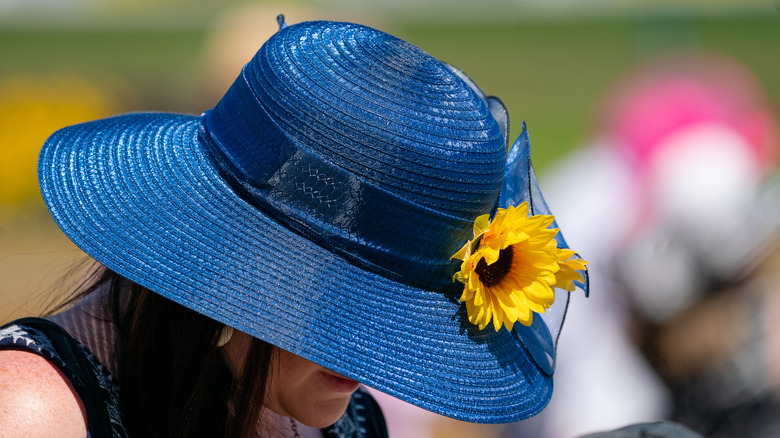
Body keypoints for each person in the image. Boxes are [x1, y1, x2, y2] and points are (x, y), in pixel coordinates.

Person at [0, 16, 588, 437]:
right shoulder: (39, 414)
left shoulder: (346, 421)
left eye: (404, 308)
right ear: (238, 260)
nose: (372, 355)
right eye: (346, 298)